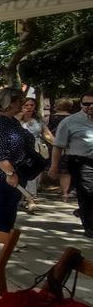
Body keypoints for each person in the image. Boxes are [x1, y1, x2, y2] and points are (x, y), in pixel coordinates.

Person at [0, 88, 35, 232]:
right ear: (9, 102)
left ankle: (6, 233)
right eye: (19, 101)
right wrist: (10, 173)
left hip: (15, 168)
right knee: (3, 203)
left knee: (11, 204)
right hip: (4, 172)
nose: (22, 104)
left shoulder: (9, 120)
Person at [49, 91, 93, 239]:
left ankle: (84, 211)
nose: (90, 106)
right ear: (81, 104)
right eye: (86, 103)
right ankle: (90, 226)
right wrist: (54, 166)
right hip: (82, 163)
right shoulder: (69, 122)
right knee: (87, 193)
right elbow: (58, 146)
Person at [17, 97, 55, 212]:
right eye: (26, 105)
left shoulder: (38, 120)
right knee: (23, 175)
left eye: (31, 105)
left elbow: (46, 134)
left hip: (37, 150)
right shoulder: (16, 119)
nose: (29, 107)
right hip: (21, 150)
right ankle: (29, 200)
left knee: (34, 176)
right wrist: (20, 116)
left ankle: (27, 198)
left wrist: (58, 144)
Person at [47, 98, 76, 201]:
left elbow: (48, 132)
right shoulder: (73, 118)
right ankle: (65, 193)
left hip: (55, 144)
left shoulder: (53, 118)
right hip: (70, 146)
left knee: (54, 166)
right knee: (65, 171)